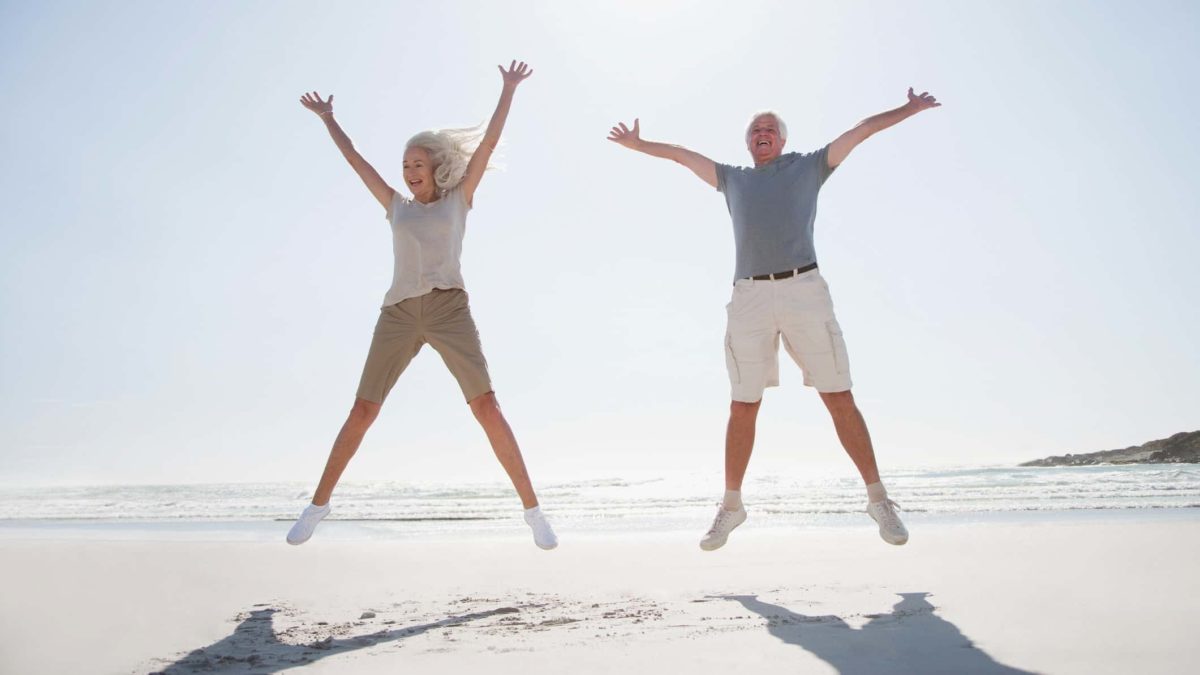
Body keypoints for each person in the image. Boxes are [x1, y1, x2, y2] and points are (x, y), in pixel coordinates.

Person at [607, 87, 940, 550]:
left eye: (770, 129)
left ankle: (878, 499)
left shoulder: (809, 167)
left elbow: (860, 132)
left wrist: (908, 109)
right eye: (755, 131)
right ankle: (731, 506)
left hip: (804, 289)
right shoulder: (733, 179)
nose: (762, 135)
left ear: (782, 141)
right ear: (748, 144)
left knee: (838, 396)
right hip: (749, 296)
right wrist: (639, 146)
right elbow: (684, 156)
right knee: (743, 404)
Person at [287, 61, 557, 550]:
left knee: (487, 407)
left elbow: (490, 144)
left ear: (435, 167)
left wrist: (508, 89)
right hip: (398, 313)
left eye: (417, 164)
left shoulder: (459, 200)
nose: (409, 172)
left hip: (449, 309)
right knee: (363, 409)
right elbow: (356, 162)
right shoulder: (396, 207)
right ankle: (318, 506)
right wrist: (329, 119)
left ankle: (533, 511)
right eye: (405, 165)